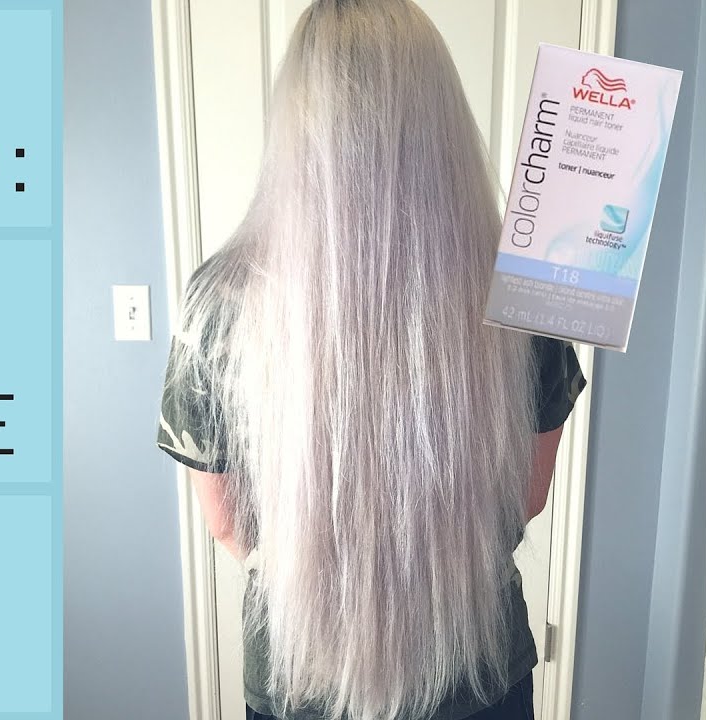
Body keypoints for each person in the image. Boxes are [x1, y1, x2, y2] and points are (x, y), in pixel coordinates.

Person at [155, 1, 586, 718]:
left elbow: (230, 526)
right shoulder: (521, 293)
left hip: (302, 673)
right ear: (443, 119)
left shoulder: (219, 303)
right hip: (473, 669)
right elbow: (526, 496)